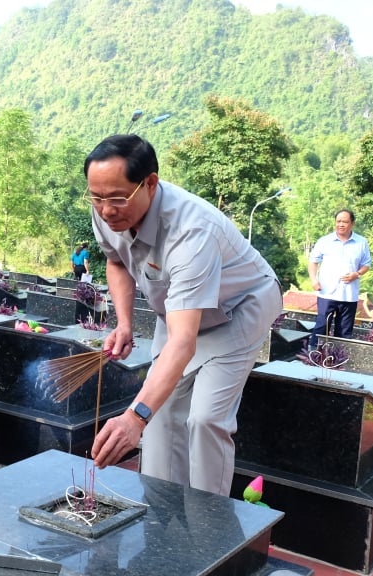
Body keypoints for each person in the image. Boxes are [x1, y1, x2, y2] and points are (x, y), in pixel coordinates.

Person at [86, 134, 282, 496]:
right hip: (178, 311)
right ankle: (162, 517)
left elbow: (182, 342)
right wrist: (125, 322)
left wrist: (133, 417)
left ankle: (209, 528)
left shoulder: (191, 231)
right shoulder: (106, 211)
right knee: (158, 416)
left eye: (116, 198)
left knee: (205, 419)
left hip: (239, 307)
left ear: (150, 183)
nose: (106, 210)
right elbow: (116, 261)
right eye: (96, 198)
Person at [307, 209, 372, 345]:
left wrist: (357, 274)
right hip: (327, 292)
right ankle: (313, 357)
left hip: (349, 294)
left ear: (352, 223)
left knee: (344, 331)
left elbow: (366, 264)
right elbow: (313, 261)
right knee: (321, 326)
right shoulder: (325, 241)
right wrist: (314, 279)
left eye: (345, 222)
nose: (341, 224)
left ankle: (338, 360)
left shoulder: (361, 242)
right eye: (338, 221)